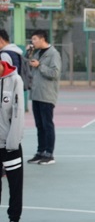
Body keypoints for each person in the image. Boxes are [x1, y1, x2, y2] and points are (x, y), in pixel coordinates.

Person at [28, 29, 61, 165]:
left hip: (46, 95)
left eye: (34, 39)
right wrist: (28, 54)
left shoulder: (53, 54)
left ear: (42, 39)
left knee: (47, 124)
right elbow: (28, 67)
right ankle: (40, 152)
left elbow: (55, 73)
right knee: (39, 125)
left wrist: (40, 65)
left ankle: (49, 153)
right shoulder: (36, 53)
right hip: (36, 94)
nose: (32, 42)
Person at [0, 59, 24, 222]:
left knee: (15, 185)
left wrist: (12, 142)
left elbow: (18, 112)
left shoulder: (14, 80)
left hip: (9, 144)